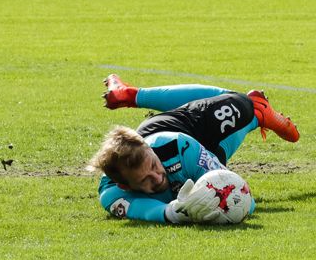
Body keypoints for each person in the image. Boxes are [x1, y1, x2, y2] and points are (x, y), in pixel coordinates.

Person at [87, 74, 300, 224]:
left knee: (241, 103)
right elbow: (143, 211)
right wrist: (174, 212)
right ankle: (257, 117)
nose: (157, 177)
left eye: (153, 165)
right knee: (217, 156)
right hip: (196, 152)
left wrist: (233, 203)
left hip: (185, 129)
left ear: (149, 150)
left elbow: (244, 198)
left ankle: (257, 110)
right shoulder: (112, 193)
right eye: (145, 180)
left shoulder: (175, 145)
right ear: (125, 186)